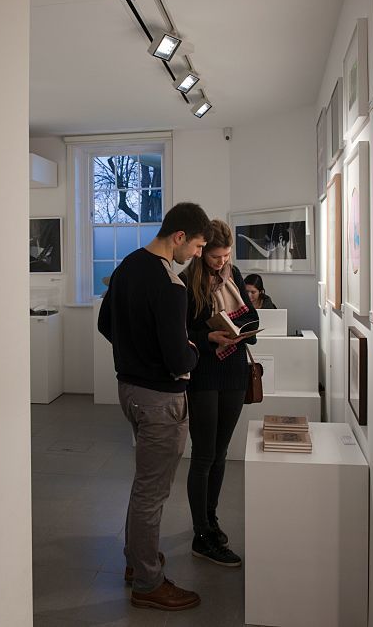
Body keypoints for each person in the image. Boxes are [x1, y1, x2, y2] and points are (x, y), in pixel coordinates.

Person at [98, 202, 213, 611]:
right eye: (198, 246)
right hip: (160, 399)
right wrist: (195, 350)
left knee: (144, 483)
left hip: (128, 390)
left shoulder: (127, 265)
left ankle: (137, 560)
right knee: (152, 491)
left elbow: (104, 325)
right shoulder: (170, 285)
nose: (197, 255)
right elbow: (179, 359)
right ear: (179, 237)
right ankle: (148, 582)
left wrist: (136, 353)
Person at [179, 220, 259, 567]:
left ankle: (211, 520)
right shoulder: (185, 281)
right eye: (214, 256)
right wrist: (210, 337)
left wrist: (242, 329)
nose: (220, 262)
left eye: (225, 256)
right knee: (203, 455)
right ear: (201, 251)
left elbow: (252, 323)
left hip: (234, 371)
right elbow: (185, 331)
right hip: (204, 373)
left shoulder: (234, 273)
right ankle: (201, 534)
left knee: (221, 452)